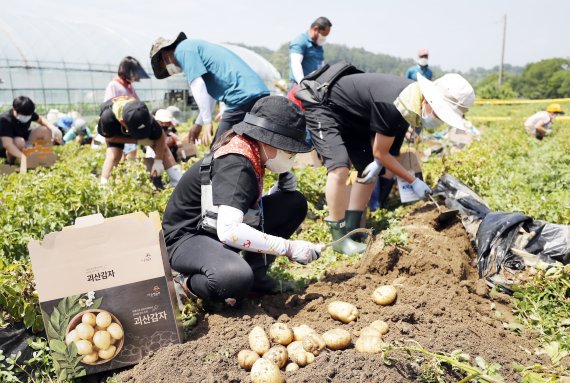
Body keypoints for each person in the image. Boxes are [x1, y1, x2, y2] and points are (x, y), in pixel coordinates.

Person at [294, 70, 474, 255]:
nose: (438, 120)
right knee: (339, 168)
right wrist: (413, 181)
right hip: (325, 105)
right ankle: (339, 239)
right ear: (429, 100)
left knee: (368, 171)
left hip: (353, 116)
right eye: (439, 114)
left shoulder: (409, 104)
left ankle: (352, 228)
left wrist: (378, 163)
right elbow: (381, 153)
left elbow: (386, 152)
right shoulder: (394, 104)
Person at [162, 96, 322, 304]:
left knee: (292, 204)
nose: (291, 156)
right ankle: (187, 283)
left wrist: (275, 191)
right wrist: (288, 247)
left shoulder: (250, 151)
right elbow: (229, 230)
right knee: (234, 278)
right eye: (289, 151)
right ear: (267, 140)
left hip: (213, 227)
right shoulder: (237, 164)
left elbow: (234, 203)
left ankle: (258, 276)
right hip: (187, 238)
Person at [150, 32, 270, 146]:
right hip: (257, 93)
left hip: (240, 97)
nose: (172, 67)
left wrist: (207, 122)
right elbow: (209, 95)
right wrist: (199, 123)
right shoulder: (193, 48)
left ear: (164, 54)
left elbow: (197, 84)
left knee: (218, 149)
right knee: (247, 143)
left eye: (164, 66)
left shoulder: (183, 50)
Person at [96, 96, 182, 187]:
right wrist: (138, 141)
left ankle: (178, 183)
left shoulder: (145, 116)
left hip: (134, 122)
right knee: (114, 155)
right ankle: (104, 187)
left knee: (163, 149)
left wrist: (158, 162)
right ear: (123, 122)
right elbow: (109, 138)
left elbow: (160, 138)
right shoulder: (107, 118)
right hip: (116, 129)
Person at [102, 56, 150, 165]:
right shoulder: (114, 85)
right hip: (117, 127)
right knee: (115, 155)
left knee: (130, 153)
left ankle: (126, 178)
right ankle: (107, 181)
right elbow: (108, 107)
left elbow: (137, 103)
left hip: (128, 127)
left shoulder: (128, 87)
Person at [0, 96, 62, 163]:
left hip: (24, 139)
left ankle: (42, 156)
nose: (26, 117)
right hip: (7, 148)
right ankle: (11, 163)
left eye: (28, 115)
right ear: (14, 109)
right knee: (19, 141)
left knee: (44, 130)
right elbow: (7, 144)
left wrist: (53, 128)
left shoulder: (28, 112)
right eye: (24, 115)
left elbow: (41, 119)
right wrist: (23, 157)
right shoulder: (5, 120)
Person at [289, 17, 333, 88]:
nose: (324, 38)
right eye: (323, 35)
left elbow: (321, 66)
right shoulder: (300, 41)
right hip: (298, 85)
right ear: (315, 29)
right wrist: (302, 83)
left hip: (313, 85)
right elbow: (296, 64)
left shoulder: (319, 45)